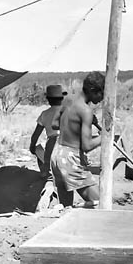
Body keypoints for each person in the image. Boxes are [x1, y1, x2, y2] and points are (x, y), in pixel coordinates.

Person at [51, 71, 105, 208]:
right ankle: (79, 208)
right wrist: (105, 137)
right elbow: (86, 145)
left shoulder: (67, 99)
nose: (102, 98)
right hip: (70, 159)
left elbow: (55, 124)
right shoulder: (86, 111)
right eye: (101, 93)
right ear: (92, 90)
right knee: (99, 204)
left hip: (57, 155)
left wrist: (74, 124)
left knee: (65, 208)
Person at [29, 84, 68, 177]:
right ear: (62, 98)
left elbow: (35, 135)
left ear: (48, 100)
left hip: (52, 144)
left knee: (39, 149)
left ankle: (45, 172)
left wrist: (32, 146)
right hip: (67, 144)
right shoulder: (69, 111)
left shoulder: (45, 114)